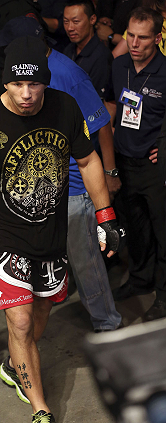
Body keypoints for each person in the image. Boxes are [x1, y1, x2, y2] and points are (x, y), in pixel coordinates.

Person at [0, 35, 125, 423]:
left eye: (35, 86)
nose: (27, 95)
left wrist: (106, 217)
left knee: (43, 310)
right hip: (4, 238)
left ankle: (15, 364)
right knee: (22, 322)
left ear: (46, 82)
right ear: (3, 82)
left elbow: (86, 160)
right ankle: (42, 414)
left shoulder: (64, 108)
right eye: (17, 85)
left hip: (51, 236)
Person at [0, 15, 122, 332]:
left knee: (85, 259)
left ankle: (108, 324)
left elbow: (101, 122)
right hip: (46, 186)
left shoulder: (68, 75)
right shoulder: (29, 77)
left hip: (75, 188)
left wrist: (109, 171)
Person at [107, 7, 166, 321]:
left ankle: (164, 295)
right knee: (137, 229)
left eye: (143, 38)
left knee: (162, 232)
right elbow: (114, 105)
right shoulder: (119, 66)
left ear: (157, 38)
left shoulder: (165, 72)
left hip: (154, 169)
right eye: (131, 35)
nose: (135, 43)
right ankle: (141, 280)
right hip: (125, 162)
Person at [63, 0, 113, 100]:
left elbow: (95, 100)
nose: (70, 28)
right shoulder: (68, 50)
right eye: (66, 22)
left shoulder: (101, 57)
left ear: (92, 19)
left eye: (76, 22)